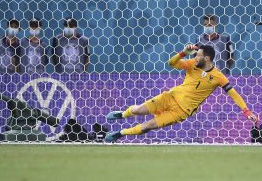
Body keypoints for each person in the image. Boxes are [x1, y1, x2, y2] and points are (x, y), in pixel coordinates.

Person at [105, 45, 258, 142]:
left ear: (206, 58)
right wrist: (183, 52)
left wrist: (246, 110)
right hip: (170, 97)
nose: (195, 56)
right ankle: (123, 114)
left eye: (197, 54)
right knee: (139, 110)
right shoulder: (192, 64)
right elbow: (172, 64)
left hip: (182, 111)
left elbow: (233, 94)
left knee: (147, 126)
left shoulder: (218, 76)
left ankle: (119, 133)